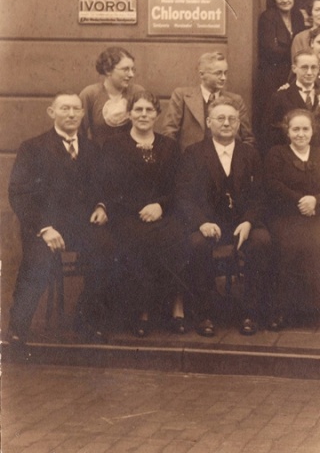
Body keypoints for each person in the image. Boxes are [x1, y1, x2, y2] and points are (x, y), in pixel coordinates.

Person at [7, 93, 116, 344]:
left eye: (76, 109)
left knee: (107, 249)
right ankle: (17, 326)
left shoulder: (91, 148)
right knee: (38, 261)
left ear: (82, 114)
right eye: (64, 108)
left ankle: (86, 318)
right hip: (44, 227)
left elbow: (104, 185)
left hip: (81, 226)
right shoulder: (33, 147)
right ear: (51, 112)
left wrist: (102, 206)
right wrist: (44, 228)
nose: (71, 114)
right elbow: (19, 193)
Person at [175, 97, 271, 337]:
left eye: (232, 119)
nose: (227, 123)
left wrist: (248, 222)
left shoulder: (250, 154)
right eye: (220, 118)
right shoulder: (194, 153)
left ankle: (249, 313)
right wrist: (202, 222)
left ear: (238, 124)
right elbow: (184, 196)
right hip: (208, 223)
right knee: (197, 244)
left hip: (242, 223)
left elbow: (260, 196)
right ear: (209, 122)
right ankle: (204, 314)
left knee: (261, 241)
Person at [102, 91, 187, 337]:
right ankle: (142, 311)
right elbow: (109, 188)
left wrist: (160, 206)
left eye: (149, 110)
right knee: (139, 239)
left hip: (163, 213)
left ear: (157, 115)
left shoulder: (169, 147)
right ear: (129, 114)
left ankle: (177, 307)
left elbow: (178, 187)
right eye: (138, 109)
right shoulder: (114, 146)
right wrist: (139, 209)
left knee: (177, 237)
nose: (143, 115)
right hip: (127, 215)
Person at [263, 109, 320, 329]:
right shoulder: (277, 154)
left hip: (315, 216)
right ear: (287, 131)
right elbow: (273, 185)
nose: (300, 134)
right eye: (295, 129)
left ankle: (311, 311)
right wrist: (300, 201)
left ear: (312, 131)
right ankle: (282, 311)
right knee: (290, 246)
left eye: (305, 129)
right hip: (285, 216)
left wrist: (315, 200)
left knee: (318, 245)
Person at [159, 51, 255, 151]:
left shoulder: (236, 100)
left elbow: (248, 139)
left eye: (225, 73)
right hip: (190, 158)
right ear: (202, 74)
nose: (223, 78)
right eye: (218, 73)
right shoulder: (182, 96)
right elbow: (169, 133)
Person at [256, 0, 306, 122]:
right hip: (272, 75)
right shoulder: (268, 17)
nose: (285, 0)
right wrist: (295, 52)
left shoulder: (297, 16)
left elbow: (301, 40)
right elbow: (270, 49)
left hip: (293, 73)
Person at [79, 46, 144, 146]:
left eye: (132, 69)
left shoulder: (137, 92)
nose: (131, 74)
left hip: (132, 154)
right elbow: (79, 133)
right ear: (108, 70)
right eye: (125, 69)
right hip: (99, 154)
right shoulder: (90, 94)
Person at [262, 49, 320, 153]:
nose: (309, 72)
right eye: (304, 67)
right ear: (294, 68)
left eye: (313, 67)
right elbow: (268, 134)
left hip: (319, 155)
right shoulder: (280, 97)